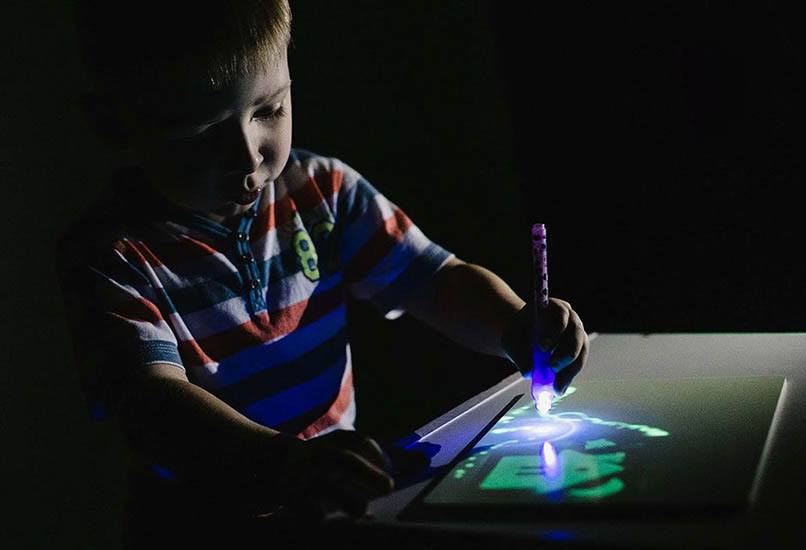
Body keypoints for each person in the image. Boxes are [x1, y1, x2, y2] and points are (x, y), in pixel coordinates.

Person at [59, 0, 588, 546]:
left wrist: (513, 324)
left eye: (269, 109)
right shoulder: (113, 257)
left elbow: (435, 281)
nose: (247, 157)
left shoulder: (323, 194)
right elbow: (153, 405)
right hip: (200, 528)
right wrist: (284, 465)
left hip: (328, 510)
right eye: (202, 133)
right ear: (112, 122)